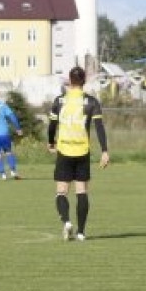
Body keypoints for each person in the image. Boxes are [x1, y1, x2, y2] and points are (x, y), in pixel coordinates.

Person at [47, 66, 110, 241]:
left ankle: (66, 221)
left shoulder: (60, 101)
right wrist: (104, 151)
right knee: (81, 191)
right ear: (84, 81)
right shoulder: (91, 102)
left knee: (61, 192)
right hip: (82, 151)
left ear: (69, 79)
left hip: (64, 150)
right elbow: (99, 128)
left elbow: (52, 126)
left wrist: (51, 141)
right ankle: (81, 232)